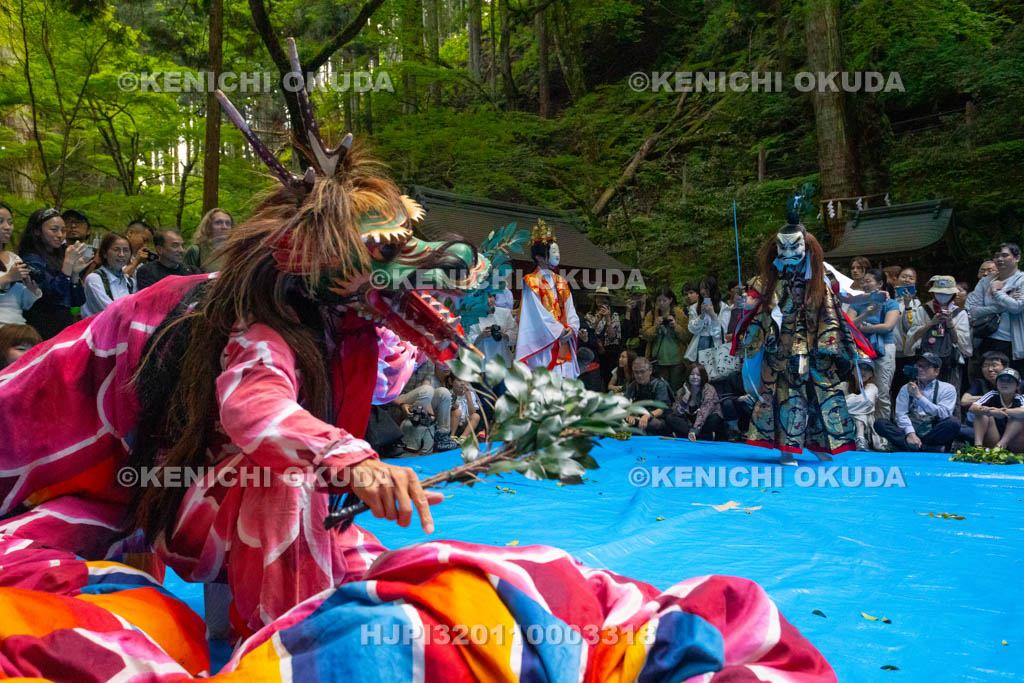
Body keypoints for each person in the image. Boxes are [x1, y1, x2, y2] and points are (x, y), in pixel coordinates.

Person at [733, 197, 869, 464]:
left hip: (817, 344)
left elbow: (848, 296)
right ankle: (787, 449)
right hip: (783, 347)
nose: (788, 253)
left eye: (794, 246)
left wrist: (869, 299)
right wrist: (742, 303)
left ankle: (822, 445)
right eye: (782, 247)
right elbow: (752, 298)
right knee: (788, 396)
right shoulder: (769, 279)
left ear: (807, 246)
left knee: (824, 394)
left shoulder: (823, 276)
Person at [516, 219, 580, 378]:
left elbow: (570, 309)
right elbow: (535, 316)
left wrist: (572, 327)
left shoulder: (561, 282)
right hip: (543, 345)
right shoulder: (531, 281)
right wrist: (558, 330)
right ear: (539, 257)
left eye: (558, 251)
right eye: (553, 252)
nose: (557, 255)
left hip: (563, 340)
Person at [17, 207, 89, 339]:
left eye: (63, 230)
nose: (60, 235)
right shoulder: (30, 260)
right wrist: (68, 264)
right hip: (41, 330)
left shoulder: (61, 256)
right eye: (54, 230)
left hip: (63, 327)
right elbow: (54, 295)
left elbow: (77, 301)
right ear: (37, 231)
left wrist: (74, 275)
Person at [873, 352, 960, 452]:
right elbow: (900, 414)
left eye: (926, 366)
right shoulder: (906, 388)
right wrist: (910, 434)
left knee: (953, 423)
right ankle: (926, 448)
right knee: (880, 423)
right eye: (918, 366)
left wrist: (919, 397)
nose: (920, 369)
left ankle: (911, 447)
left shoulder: (947, 388)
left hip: (932, 433)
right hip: (910, 431)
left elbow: (944, 413)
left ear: (936, 371)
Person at [906, 275, 972, 399]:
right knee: (922, 394)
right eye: (938, 293)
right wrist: (931, 323)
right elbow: (913, 336)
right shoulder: (923, 310)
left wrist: (950, 324)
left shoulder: (960, 313)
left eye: (946, 293)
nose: (942, 296)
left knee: (949, 395)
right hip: (925, 359)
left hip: (949, 362)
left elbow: (962, 343)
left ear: (953, 294)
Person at [848, 268, 900, 420]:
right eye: (863, 281)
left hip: (884, 348)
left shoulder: (891, 303)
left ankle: (882, 434)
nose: (865, 284)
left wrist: (863, 328)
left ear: (880, 284)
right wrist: (866, 315)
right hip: (861, 348)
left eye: (868, 281)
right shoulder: (857, 303)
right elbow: (848, 325)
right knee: (859, 387)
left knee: (883, 391)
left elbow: (887, 326)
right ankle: (864, 429)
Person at [966, 243, 1024, 375]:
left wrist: (996, 292)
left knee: (1013, 383)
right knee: (987, 381)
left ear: (1017, 258)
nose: (1000, 259)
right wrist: (1002, 304)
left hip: (1013, 342)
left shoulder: (1021, 280)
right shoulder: (985, 281)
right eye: (997, 256)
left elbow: (1017, 307)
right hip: (986, 337)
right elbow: (973, 310)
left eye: (1005, 255)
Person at [393, 360, 460, 453]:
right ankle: (411, 438)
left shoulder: (428, 363)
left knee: (444, 393)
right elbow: (386, 393)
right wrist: (401, 405)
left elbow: (427, 388)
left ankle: (442, 436)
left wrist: (431, 415)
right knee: (426, 390)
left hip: (420, 399)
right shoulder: (402, 358)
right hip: (398, 398)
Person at [0, 202, 42, 327]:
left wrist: (31, 289)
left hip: (18, 324)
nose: (7, 227)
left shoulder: (14, 258)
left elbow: (25, 303)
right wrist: (8, 278)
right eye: (1, 221)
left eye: (10, 222)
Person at [642, 288, 689, 391]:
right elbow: (645, 335)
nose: (661, 303)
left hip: (677, 360)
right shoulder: (652, 314)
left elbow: (687, 336)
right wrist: (655, 327)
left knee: (676, 389)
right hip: (659, 360)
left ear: (671, 300)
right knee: (662, 389)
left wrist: (675, 326)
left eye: (664, 300)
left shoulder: (679, 313)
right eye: (659, 301)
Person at [666, 363, 727, 441]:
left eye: (698, 375)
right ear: (688, 376)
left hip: (704, 422)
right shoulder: (682, 391)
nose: (695, 377)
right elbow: (677, 413)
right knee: (670, 418)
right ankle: (694, 436)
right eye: (692, 374)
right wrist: (686, 397)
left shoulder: (709, 389)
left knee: (715, 418)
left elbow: (704, 412)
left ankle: (694, 435)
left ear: (703, 377)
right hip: (689, 423)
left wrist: (694, 430)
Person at [891, 267, 927, 397]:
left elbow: (911, 327)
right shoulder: (889, 300)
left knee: (907, 386)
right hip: (890, 350)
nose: (907, 280)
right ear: (897, 280)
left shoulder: (916, 303)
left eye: (911, 278)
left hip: (907, 352)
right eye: (904, 276)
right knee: (892, 386)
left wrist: (907, 305)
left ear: (915, 283)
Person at [81, 233, 136, 318]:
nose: (121, 254)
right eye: (116, 250)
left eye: (126, 250)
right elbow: (111, 310)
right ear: (104, 253)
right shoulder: (94, 279)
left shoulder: (131, 283)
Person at [968, 367, 1024, 448]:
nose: (1004, 383)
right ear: (996, 383)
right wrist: (990, 412)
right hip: (993, 438)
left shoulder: (1021, 398)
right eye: (1002, 380)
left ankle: (1000, 446)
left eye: (1009, 381)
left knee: (1018, 416)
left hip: (1015, 443)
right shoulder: (992, 394)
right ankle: (978, 447)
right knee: (981, 412)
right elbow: (972, 408)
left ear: (1017, 386)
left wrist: (1003, 411)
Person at [583, 286, 621, 386]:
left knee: (609, 379)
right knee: (595, 380)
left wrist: (608, 320)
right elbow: (587, 335)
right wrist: (596, 322)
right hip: (595, 352)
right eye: (598, 297)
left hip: (610, 353)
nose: (601, 300)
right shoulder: (589, 315)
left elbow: (613, 337)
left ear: (608, 300)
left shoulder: (614, 315)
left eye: (603, 298)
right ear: (595, 299)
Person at [623, 356, 670, 435]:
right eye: (636, 372)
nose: (639, 375)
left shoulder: (659, 385)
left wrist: (647, 415)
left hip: (657, 417)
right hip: (638, 417)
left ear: (650, 371)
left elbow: (661, 409)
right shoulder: (632, 386)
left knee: (651, 422)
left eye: (642, 371)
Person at [686, 276, 726, 366]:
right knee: (701, 373)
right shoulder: (694, 307)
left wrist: (712, 315)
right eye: (701, 288)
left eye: (706, 288)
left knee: (715, 375)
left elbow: (721, 332)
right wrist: (702, 315)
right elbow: (692, 329)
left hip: (716, 345)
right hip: (700, 344)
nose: (703, 291)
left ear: (712, 289)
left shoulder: (723, 307)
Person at [843, 359, 880, 451]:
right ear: (853, 371)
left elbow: (866, 401)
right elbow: (832, 404)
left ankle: (861, 440)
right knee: (860, 410)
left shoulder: (872, 388)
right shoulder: (843, 386)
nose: (863, 372)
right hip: (843, 422)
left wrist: (844, 403)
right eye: (860, 368)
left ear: (871, 374)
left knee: (861, 413)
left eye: (868, 369)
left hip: (865, 428)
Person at [185, 208, 234, 274]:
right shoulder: (196, 251)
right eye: (218, 222)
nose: (224, 227)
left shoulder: (235, 250)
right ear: (208, 227)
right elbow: (186, 280)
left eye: (228, 223)